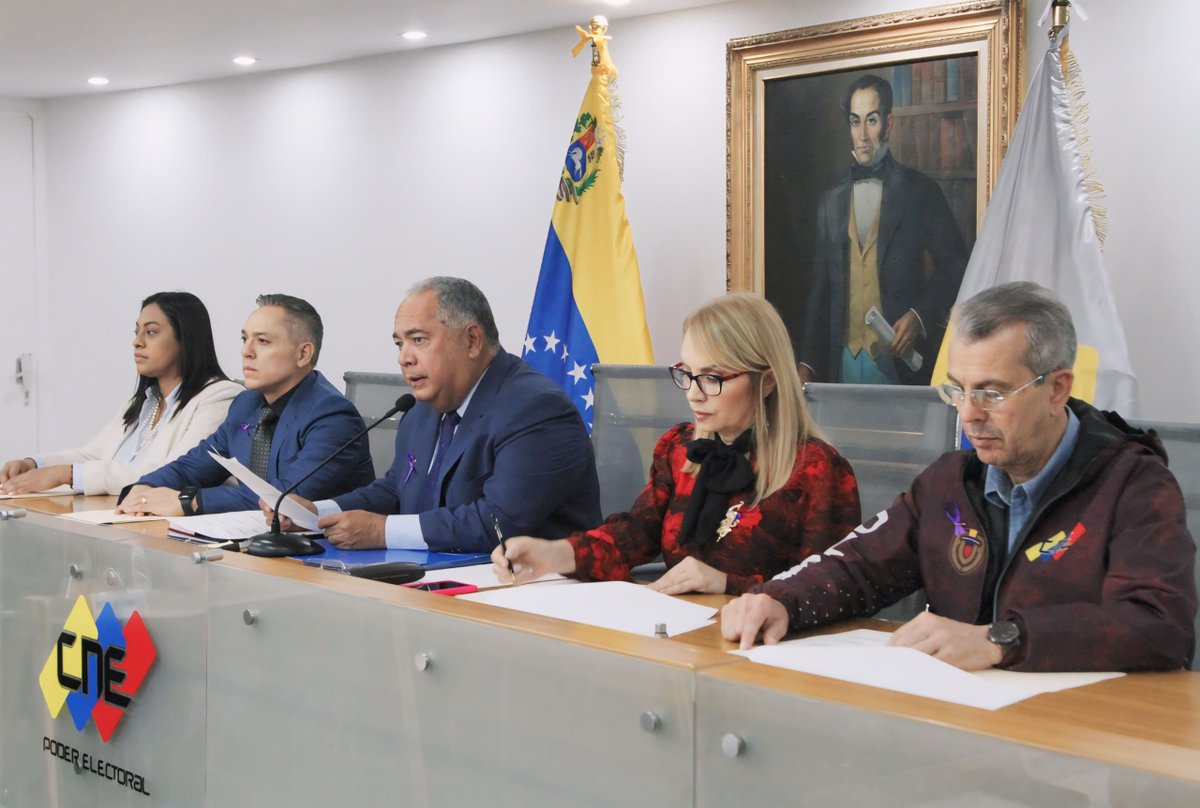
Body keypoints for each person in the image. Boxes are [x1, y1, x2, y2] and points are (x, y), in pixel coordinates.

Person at [723, 282, 1197, 672]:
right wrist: (779, 600)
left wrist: (1000, 641)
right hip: (961, 733)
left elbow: (1158, 627)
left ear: (1057, 389)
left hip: (1082, 748)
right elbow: (860, 565)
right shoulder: (950, 483)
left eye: (992, 393)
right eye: (957, 390)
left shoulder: (1133, 485)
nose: (968, 415)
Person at [491, 293, 862, 595]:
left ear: (765, 382)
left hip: (766, 655)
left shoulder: (815, 468)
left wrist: (728, 585)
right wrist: (553, 553)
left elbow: (833, 589)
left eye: (712, 378)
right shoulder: (680, 448)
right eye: (686, 374)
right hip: (683, 639)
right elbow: (635, 534)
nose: (694, 395)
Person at [270, 277, 601, 553]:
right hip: (441, 579)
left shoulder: (536, 408)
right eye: (399, 344)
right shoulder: (424, 407)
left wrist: (384, 532)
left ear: (472, 340)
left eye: (418, 340)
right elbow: (395, 489)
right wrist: (317, 512)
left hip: (531, 595)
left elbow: (500, 523)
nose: (404, 358)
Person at [116, 294, 374, 516]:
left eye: (262, 341)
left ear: (303, 354)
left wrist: (187, 501)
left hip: (322, 558)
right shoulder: (246, 404)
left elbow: (282, 499)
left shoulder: (332, 416)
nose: (246, 351)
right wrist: (145, 488)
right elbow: (195, 465)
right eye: (244, 339)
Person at [799, 73, 967, 385]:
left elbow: (956, 265)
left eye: (871, 120)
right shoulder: (830, 198)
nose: (862, 134)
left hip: (899, 362)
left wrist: (918, 317)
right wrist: (807, 362)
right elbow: (820, 289)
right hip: (842, 363)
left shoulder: (920, 191)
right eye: (855, 121)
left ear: (888, 124)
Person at [0, 291, 241, 496]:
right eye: (136, 332)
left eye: (152, 332)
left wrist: (68, 475)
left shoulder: (219, 397)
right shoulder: (144, 401)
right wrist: (34, 464)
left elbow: (174, 472)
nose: (137, 342)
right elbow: (92, 454)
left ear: (185, 339)